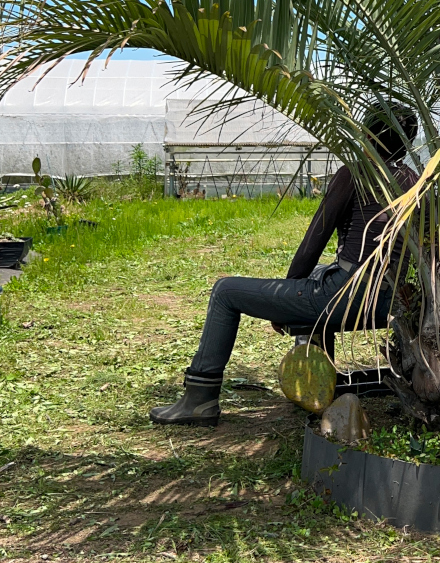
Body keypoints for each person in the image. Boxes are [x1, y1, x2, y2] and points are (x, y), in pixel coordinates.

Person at [150, 108, 419, 427]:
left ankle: (199, 399)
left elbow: (312, 243)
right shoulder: (414, 179)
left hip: (348, 299)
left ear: (368, 135)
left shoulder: (355, 173)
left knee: (226, 291)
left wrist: (283, 305)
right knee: (320, 272)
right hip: (389, 301)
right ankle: (316, 386)